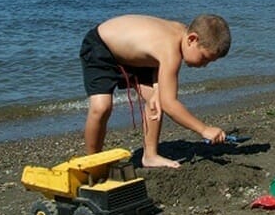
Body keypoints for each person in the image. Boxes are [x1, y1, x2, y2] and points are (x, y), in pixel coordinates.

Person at [80, 14, 231, 168]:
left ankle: (150, 156)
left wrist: (157, 86)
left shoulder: (180, 37)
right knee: (101, 107)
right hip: (102, 48)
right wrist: (204, 129)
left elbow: (153, 54)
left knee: (156, 99)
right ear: (192, 39)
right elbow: (170, 104)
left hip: (137, 58)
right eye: (204, 58)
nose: (204, 65)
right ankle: (94, 162)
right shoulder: (171, 49)